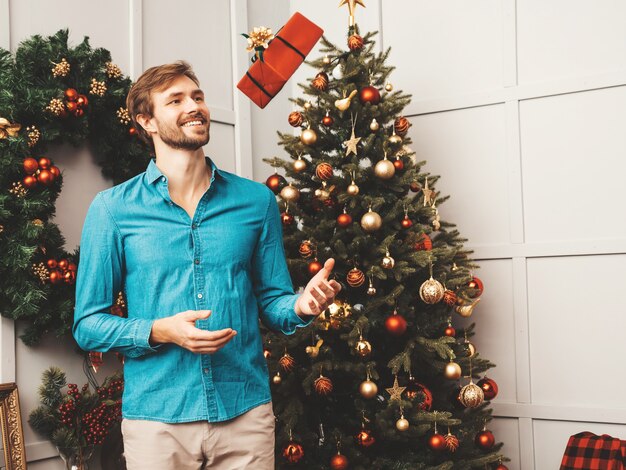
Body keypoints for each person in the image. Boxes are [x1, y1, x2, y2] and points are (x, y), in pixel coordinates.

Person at [73, 61, 341, 470]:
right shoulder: (113, 210)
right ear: (146, 120)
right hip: (157, 420)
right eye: (176, 100)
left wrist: (301, 306)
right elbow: (87, 325)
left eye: (197, 97)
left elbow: (272, 300)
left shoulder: (255, 202)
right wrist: (160, 331)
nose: (194, 106)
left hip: (245, 414)